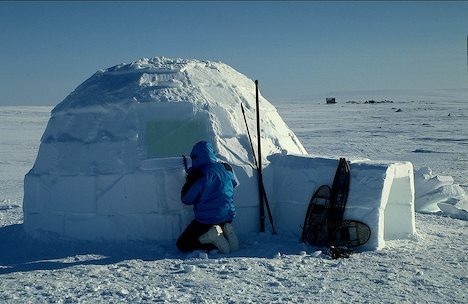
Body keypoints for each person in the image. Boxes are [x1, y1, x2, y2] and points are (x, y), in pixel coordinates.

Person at [176, 141, 239, 254]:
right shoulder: (226, 167)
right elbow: (233, 184)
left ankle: (214, 240)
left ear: (195, 157)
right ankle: (226, 232)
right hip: (228, 215)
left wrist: (190, 180)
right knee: (221, 222)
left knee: (182, 244)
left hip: (207, 220)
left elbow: (186, 199)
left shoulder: (199, 174)